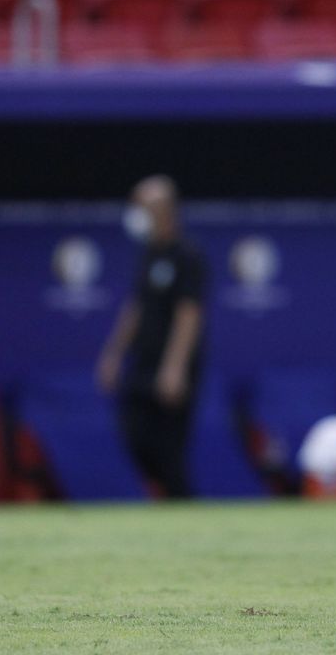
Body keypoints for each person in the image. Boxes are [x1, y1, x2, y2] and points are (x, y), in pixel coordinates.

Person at [96, 176, 206, 499]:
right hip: (142, 364)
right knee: (135, 434)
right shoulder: (148, 254)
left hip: (172, 366)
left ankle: (183, 514)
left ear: (163, 210)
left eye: (142, 206)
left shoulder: (187, 256)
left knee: (170, 450)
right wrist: (114, 353)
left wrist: (174, 368)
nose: (135, 213)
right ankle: (165, 497)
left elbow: (189, 315)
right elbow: (137, 307)